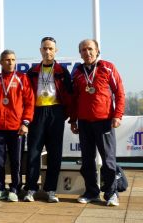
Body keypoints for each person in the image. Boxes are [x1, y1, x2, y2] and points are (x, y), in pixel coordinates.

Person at [70, 39, 125, 206]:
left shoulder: (108, 67)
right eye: (84, 50)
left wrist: (118, 115)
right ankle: (92, 192)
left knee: (108, 160)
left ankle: (111, 193)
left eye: (90, 49)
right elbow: (74, 99)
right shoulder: (77, 72)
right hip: (84, 122)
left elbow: (120, 92)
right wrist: (73, 120)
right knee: (87, 160)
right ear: (80, 53)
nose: (87, 53)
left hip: (104, 121)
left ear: (97, 50)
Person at [23, 37, 72, 203]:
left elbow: (69, 96)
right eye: (45, 48)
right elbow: (27, 96)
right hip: (37, 112)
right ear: (40, 50)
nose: (47, 51)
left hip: (56, 112)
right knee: (33, 153)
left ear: (56, 50)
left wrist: (66, 115)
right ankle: (31, 188)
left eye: (51, 48)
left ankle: (51, 189)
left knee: (55, 153)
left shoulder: (62, 71)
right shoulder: (33, 71)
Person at [0, 50, 35, 202]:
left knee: (16, 160)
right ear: (0, 62)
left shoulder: (22, 78)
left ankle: (15, 188)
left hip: (17, 127)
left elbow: (29, 102)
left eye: (13, 59)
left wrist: (25, 122)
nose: (10, 62)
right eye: (7, 60)